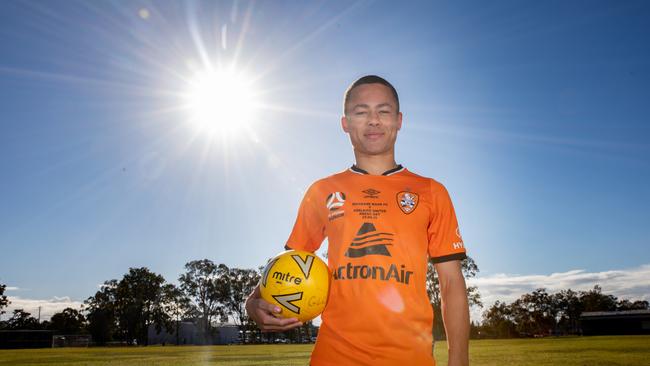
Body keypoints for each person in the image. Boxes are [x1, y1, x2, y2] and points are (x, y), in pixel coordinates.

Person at [246, 75, 469, 366]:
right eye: (361, 112)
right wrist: (253, 302)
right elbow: (289, 264)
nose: (373, 120)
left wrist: (459, 360)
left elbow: (451, 282)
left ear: (399, 120)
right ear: (345, 123)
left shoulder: (431, 191)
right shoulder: (322, 190)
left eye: (383, 111)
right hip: (333, 356)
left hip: (410, 358)